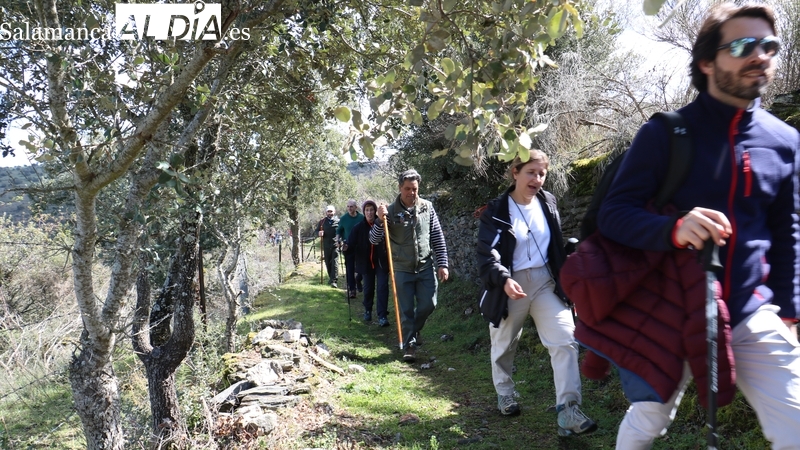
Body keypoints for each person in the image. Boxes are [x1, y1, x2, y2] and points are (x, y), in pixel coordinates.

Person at [594, 4, 800, 448]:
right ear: (708, 62)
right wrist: (673, 230)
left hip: (752, 309)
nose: (759, 55)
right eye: (744, 45)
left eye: (769, 46)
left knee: (796, 424)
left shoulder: (785, 142)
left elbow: (787, 235)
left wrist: (788, 310)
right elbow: (614, 214)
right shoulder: (668, 133)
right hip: (673, 308)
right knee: (649, 419)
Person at [475, 151, 597, 435]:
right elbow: (487, 254)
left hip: (545, 282)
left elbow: (554, 245)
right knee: (504, 344)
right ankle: (505, 394)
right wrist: (503, 280)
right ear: (515, 172)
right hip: (510, 285)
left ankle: (568, 410)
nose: (537, 179)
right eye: (531, 172)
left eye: (542, 173)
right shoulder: (496, 211)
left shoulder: (548, 202)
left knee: (565, 339)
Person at [370, 169, 449, 362]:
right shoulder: (389, 212)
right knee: (405, 310)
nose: (411, 193)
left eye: (414, 189)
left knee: (430, 303)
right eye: (407, 189)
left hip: (425, 266)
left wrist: (443, 264)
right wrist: (380, 221)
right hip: (401, 268)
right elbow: (373, 239)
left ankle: (414, 330)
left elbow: (437, 237)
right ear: (400, 188)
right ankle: (410, 346)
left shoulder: (427, 208)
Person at [347, 200, 390, 326]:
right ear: (364, 212)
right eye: (367, 210)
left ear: (375, 211)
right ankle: (368, 310)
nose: (369, 213)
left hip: (381, 263)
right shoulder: (358, 228)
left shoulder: (383, 224)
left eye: (371, 210)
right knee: (368, 288)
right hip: (366, 263)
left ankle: (382, 316)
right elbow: (350, 244)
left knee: (382, 287)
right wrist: (345, 247)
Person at [338, 199, 365, 298]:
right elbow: (339, 230)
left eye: (351, 206)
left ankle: (358, 279)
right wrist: (338, 240)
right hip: (348, 246)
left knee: (362, 267)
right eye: (348, 206)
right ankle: (352, 289)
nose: (349, 208)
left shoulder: (362, 218)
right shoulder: (343, 218)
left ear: (356, 207)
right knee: (350, 268)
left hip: (361, 247)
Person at [317, 205, 340, 288]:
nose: (330, 213)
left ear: (334, 212)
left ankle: (334, 280)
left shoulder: (338, 221)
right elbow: (317, 231)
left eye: (331, 211)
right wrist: (319, 233)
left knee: (335, 262)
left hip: (335, 245)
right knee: (328, 262)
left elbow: (341, 231)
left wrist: (340, 240)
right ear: (326, 212)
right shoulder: (322, 222)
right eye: (328, 211)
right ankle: (331, 277)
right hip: (326, 245)